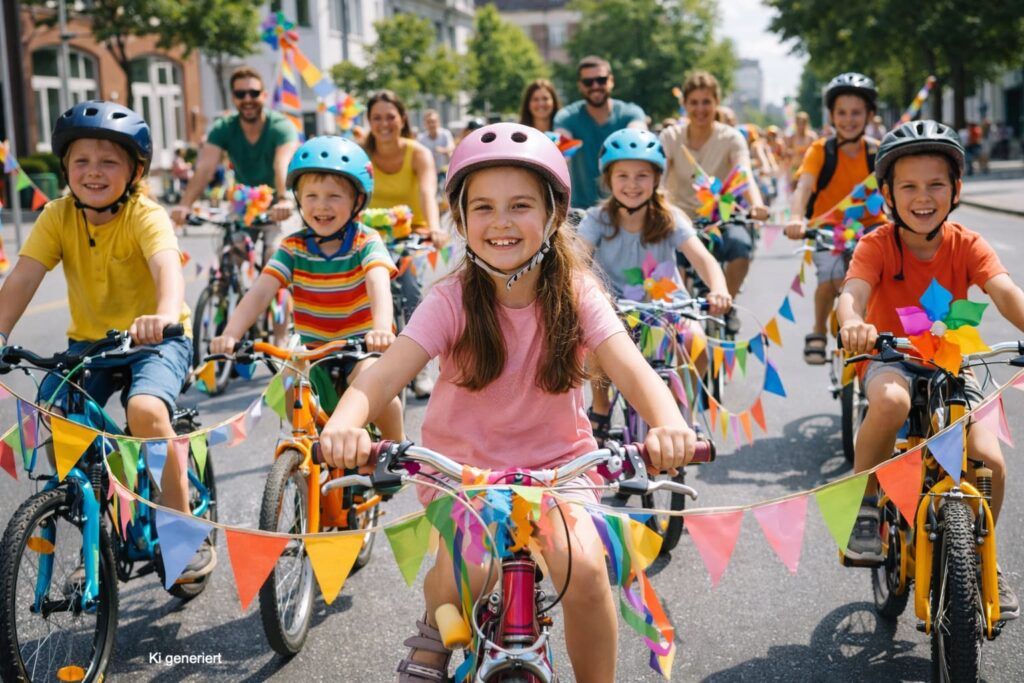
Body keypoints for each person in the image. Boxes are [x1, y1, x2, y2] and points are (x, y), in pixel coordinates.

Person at [316, 123, 696, 682]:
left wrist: (667, 424)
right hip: (461, 473)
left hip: (560, 470)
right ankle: (433, 634)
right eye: (484, 207)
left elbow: (634, 370)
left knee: (587, 572)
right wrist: (347, 424)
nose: (501, 221)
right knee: (468, 563)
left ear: (551, 216)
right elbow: (381, 377)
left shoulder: (576, 292)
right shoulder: (450, 299)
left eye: (520, 205)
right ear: (461, 219)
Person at [0, 101, 214, 580]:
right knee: (51, 415)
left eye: (108, 162)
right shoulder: (57, 216)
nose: (93, 172)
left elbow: (167, 269)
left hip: (157, 339)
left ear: (135, 171)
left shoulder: (146, 214)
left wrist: (161, 315)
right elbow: (22, 279)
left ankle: (182, 531)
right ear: (65, 169)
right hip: (91, 344)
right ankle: (97, 530)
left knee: (145, 412)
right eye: (81, 161)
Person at [836, 120, 1021, 619]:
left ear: (956, 189)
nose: (923, 197)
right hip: (890, 358)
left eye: (936, 184)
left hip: (953, 360)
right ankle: (865, 503)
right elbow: (851, 294)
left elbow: (1004, 292)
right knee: (893, 402)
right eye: (909, 186)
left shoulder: (967, 244)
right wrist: (853, 322)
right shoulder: (877, 245)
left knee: (992, 462)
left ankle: (985, 558)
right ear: (888, 196)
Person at [209, 136, 403, 439]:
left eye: (334, 196)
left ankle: (394, 449)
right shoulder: (293, 247)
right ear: (298, 200)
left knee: (374, 387)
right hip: (313, 350)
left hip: (361, 347)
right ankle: (309, 451)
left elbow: (378, 283)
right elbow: (260, 291)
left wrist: (381, 329)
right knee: (288, 383)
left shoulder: (365, 242)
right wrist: (231, 334)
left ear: (357, 201)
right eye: (310, 195)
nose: (321, 206)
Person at [579, 128, 730, 434]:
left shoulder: (670, 217)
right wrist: (591, 292)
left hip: (668, 308)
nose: (632, 185)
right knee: (596, 346)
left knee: (697, 341)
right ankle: (600, 406)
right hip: (615, 308)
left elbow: (702, 258)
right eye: (622, 176)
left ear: (657, 179)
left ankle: (682, 408)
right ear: (608, 179)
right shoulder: (597, 220)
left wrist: (719, 288)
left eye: (642, 176)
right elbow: (577, 261)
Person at [784, 72, 885, 366]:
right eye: (841, 112)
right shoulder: (821, 150)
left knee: (883, 281)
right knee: (830, 278)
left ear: (869, 115)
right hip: (828, 227)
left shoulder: (877, 153)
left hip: (872, 227)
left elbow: (893, 194)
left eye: (856, 112)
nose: (848, 119)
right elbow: (803, 187)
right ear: (831, 115)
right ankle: (817, 329)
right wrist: (795, 218)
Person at [659, 71, 770, 315]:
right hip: (679, 218)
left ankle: (725, 307)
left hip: (722, 216)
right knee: (669, 261)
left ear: (716, 103)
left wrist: (757, 204)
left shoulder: (731, 138)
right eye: (694, 102)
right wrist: (659, 202)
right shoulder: (670, 137)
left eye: (706, 102)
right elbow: (660, 177)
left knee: (741, 247)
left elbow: (744, 173)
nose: (700, 109)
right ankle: (682, 315)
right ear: (685, 105)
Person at [170, 66, 299, 260]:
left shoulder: (281, 127)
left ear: (264, 95)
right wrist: (185, 205)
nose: (247, 99)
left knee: (274, 260)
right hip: (242, 206)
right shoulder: (224, 128)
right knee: (231, 256)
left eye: (253, 93)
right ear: (234, 98)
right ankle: (224, 290)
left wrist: (283, 200)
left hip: (277, 208)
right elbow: (205, 168)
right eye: (241, 94)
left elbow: (280, 164)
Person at [364, 90, 444, 398]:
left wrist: (434, 227)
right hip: (370, 238)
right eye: (377, 118)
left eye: (390, 117)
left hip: (412, 234)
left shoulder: (418, 152)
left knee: (410, 290)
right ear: (369, 122)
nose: (384, 124)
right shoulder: (362, 153)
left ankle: (419, 369)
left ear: (402, 119)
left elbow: (428, 193)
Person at [554, 55, 646, 209]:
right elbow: (561, 143)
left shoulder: (630, 112)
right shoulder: (567, 116)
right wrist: (561, 149)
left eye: (601, 80)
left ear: (611, 81)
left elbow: (638, 136)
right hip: (581, 212)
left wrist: (635, 138)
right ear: (580, 86)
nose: (595, 85)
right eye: (588, 82)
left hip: (624, 208)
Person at [416, 109, 454, 189]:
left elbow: (451, 148)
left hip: (444, 173)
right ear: (425, 124)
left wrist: (442, 150)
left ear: (438, 122)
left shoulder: (445, 134)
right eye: (429, 122)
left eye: (433, 121)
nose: (431, 124)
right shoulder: (421, 138)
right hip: (428, 174)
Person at [784, 111, 818, 189]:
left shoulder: (812, 137)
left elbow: (817, 152)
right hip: (795, 168)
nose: (801, 125)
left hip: (809, 169)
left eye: (803, 123)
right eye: (799, 123)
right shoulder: (792, 137)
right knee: (794, 192)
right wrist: (794, 152)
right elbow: (786, 152)